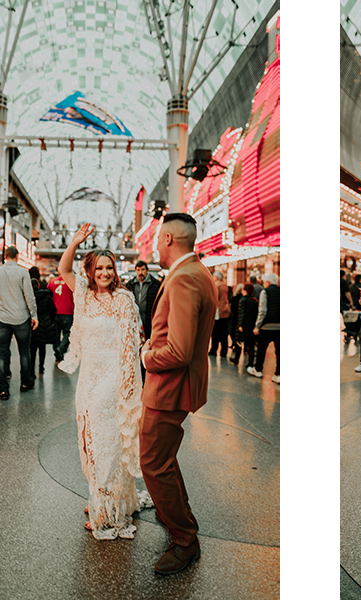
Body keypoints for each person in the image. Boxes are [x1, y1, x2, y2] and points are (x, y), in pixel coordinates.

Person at [57, 223, 152, 540]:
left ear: (115, 271)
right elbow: (63, 268)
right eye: (99, 267)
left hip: (111, 381)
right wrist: (74, 241)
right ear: (91, 270)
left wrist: (128, 387)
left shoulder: (124, 301)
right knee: (90, 440)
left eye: (109, 267)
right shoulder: (83, 295)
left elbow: (129, 348)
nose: (105, 272)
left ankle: (105, 510)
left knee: (106, 443)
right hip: (88, 380)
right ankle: (107, 494)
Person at [139, 212, 218, 575]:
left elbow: (180, 350)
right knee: (164, 459)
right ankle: (178, 518)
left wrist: (147, 355)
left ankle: (184, 539)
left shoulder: (184, 278)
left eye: (158, 239)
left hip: (168, 389)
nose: (155, 245)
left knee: (153, 464)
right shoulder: (197, 272)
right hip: (178, 387)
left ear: (169, 239)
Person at [0, 246, 37, 398]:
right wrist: (34, 315)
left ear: (5, 256)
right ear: (16, 257)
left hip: (2, 318)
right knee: (24, 351)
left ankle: (3, 389)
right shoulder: (23, 272)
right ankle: (25, 383)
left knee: (2, 353)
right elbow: (29, 295)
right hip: (21, 317)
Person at [126, 260, 161, 381]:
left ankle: (147, 375)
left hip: (149, 322)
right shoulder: (130, 285)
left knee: (148, 348)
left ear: (147, 270)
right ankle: (137, 375)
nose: (140, 273)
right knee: (135, 349)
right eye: (138, 270)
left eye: (143, 270)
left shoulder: (155, 284)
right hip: (134, 324)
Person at [251, 273, 280, 384]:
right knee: (280, 352)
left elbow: (262, 311)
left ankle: (258, 370)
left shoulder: (265, 292)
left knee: (261, 350)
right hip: (280, 327)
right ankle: (278, 374)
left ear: (267, 282)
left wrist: (257, 326)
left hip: (266, 326)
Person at [30, 278, 58, 378]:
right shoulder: (46, 297)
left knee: (32, 349)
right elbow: (54, 310)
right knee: (42, 348)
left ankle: (31, 371)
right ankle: (41, 367)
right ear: (38, 286)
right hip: (45, 324)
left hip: (32, 325)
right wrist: (50, 319)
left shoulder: (29, 297)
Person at [48, 270, 75, 363]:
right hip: (68, 311)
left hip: (55, 312)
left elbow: (48, 296)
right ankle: (61, 349)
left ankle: (57, 355)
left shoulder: (52, 282)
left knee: (55, 335)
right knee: (68, 333)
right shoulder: (70, 282)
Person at [209, 272, 232, 358]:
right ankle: (224, 351)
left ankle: (214, 350)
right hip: (225, 310)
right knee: (224, 332)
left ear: (217, 277)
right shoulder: (225, 285)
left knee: (215, 332)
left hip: (218, 311)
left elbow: (214, 298)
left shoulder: (216, 285)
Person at [237, 284, 259, 371]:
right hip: (252, 325)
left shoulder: (243, 300)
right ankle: (250, 363)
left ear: (245, 290)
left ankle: (236, 359)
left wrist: (240, 325)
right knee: (251, 345)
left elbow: (242, 313)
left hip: (245, 325)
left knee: (239, 342)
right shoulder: (254, 300)